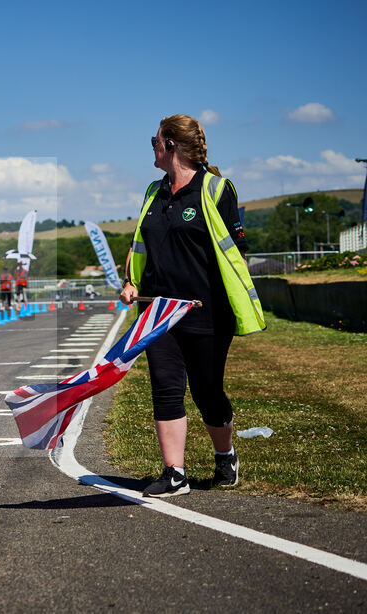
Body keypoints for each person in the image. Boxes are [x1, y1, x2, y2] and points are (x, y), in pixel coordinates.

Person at [119, 113, 264, 498]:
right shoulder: (153, 191)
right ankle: (175, 473)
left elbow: (237, 253)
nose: (151, 146)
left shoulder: (216, 189)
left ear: (171, 146)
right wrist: (132, 282)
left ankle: (225, 455)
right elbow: (141, 246)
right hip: (157, 311)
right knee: (166, 387)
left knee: (206, 391)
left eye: (155, 140)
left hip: (206, 311)